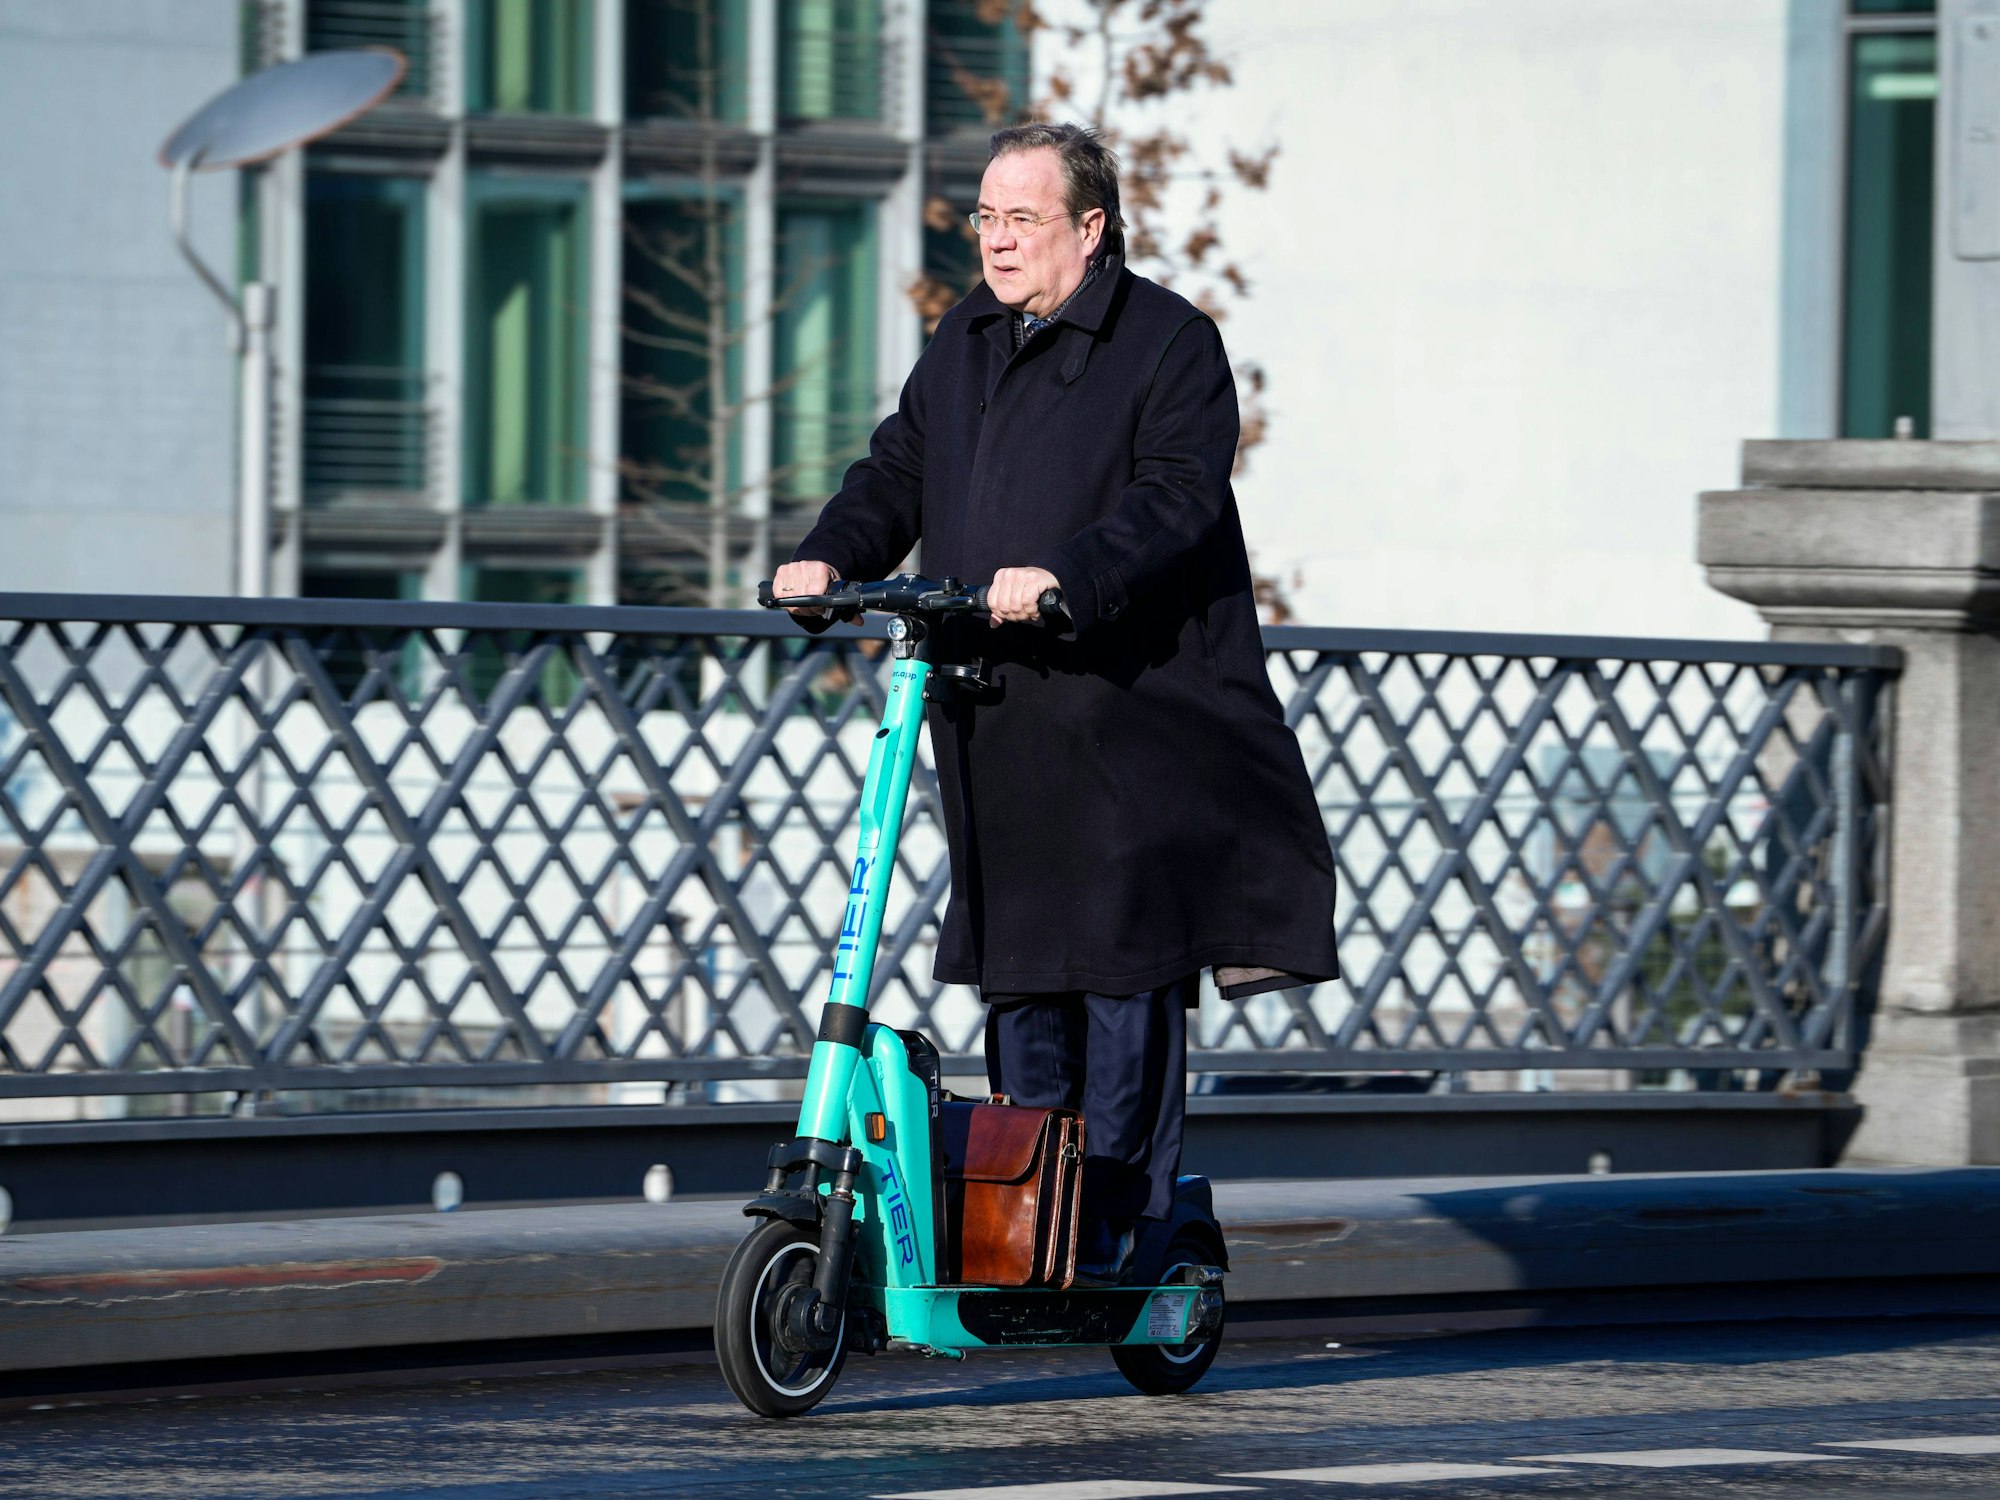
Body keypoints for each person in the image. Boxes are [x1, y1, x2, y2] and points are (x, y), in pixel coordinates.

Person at [774, 121, 1338, 1281]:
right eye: (983, 217)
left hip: (1133, 717)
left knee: (1125, 977)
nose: (995, 239)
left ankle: (1121, 1230)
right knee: (1021, 973)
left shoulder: (1169, 342)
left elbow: (1176, 500)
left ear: (1089, 228)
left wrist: (1066, 578)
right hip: (996, 711)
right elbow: (896, 469)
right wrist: (829, 556)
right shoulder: (966, 337)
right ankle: (1023, 1225)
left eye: (1019, 218)